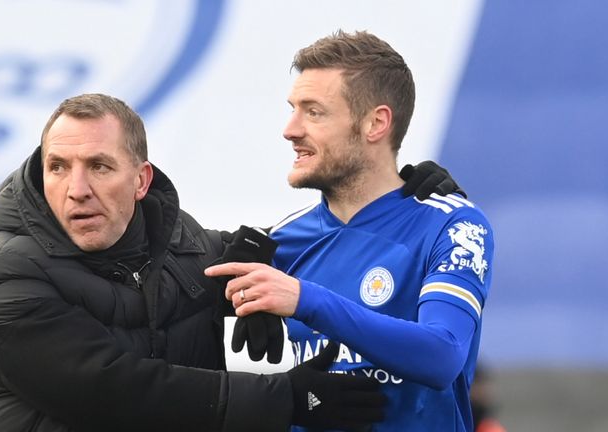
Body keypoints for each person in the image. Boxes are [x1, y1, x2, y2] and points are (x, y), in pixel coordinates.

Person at [0, 93, 393, 432]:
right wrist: (284, 398)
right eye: (58, 167)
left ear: (141, 180)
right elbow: (112, 390)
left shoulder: (180, 245)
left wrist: (404, 201)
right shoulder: (7, 274)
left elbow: (310, 250)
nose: (77, 189)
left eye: (99, 166)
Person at [206, 30, 495, 431]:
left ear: (376, 123)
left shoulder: (452, 225)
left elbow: (443, 355)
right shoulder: (275, 246)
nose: (290, 129)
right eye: (292, 108)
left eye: (314, 111)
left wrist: (305, 299)